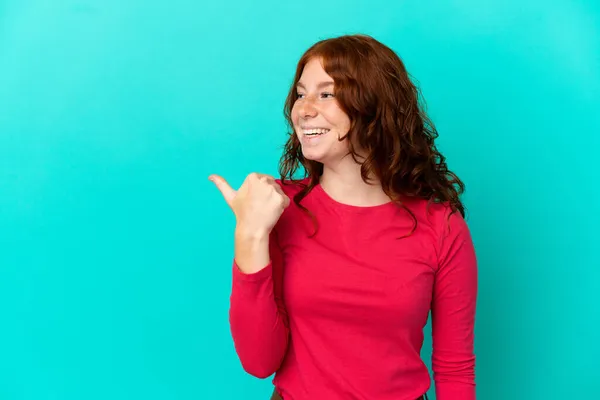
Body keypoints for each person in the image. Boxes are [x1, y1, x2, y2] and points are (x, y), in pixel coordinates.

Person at [209, 34, 478, 400]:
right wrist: (250, 235)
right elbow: (259, 362)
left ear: (373, 106)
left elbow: (454, 368)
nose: (303, 109)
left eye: (326, 93)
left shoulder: (441, 227)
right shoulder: (277, 208)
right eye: (301, 93)